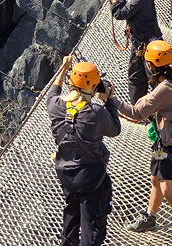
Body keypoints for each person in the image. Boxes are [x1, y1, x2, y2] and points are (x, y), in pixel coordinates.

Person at [115, 40, 172, 246]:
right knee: (155, 179)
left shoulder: (165, 89)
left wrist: (111, 100)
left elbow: (136, 112)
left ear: (150, 65)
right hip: (163, 142)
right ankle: (150, 218)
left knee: (167, 190)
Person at [46, 56, 120, 246]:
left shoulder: (55, 106)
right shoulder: (96, 112)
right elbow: (115, 129)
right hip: (91, 178)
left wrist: (63, 68)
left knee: (71, 215)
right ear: (93, 88)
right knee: (93, 230)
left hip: (66, 175)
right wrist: (109, 100)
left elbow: (53, 91)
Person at [108, 0, 164, 104]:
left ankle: (152, 110)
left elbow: (119, 13)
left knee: (150, 79)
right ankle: (140, 110)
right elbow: (128, 7)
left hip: (146, 46)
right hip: (143, 44)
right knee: (138, 76)